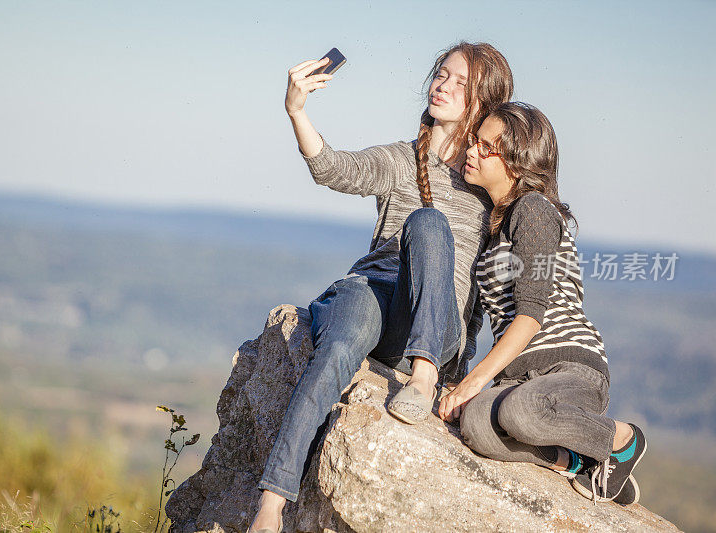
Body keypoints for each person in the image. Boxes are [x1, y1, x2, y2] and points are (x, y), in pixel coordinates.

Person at [248, 42, 513, 533]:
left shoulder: (488, 187)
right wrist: (296, 110)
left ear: (483, 103)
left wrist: (460, 374)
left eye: (460, 83)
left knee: (429, 223)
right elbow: (334, 169)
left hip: (427, 330)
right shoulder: (399, 158)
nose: (442, 85)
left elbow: (482, 293)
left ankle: (425, 374)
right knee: (341, 345)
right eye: (441, 74)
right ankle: (271, 504)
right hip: (373, 289)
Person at [440, 102, 646, 504]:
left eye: (487, 147)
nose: (472, 151)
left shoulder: (533, 209)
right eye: (475, 142)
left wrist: (473, 381)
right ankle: (572, 460)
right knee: (477, 425)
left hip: (568, 366)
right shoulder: (495, 225)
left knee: (521, 413)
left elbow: (531, 316)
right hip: (519, 377)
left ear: (517, 161)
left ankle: (623, 440)